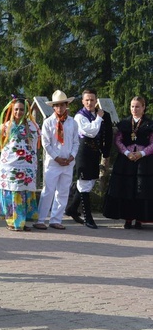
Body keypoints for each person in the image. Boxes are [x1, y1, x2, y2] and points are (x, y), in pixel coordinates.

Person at [64, 89, 113, 229]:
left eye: (92, 100)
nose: (89, 102)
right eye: (87, 100)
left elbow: (107, 134)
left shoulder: (102, 114)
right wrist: (98, 118)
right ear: (82, 101)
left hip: (94, 153)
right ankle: (88, 218)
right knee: (84, 183)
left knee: (90, 182)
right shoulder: (80, 116)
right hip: (83, 153)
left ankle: (72, 209)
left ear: (96, 100)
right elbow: (91, 132)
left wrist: (106, 152)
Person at [0, 97, 40, 231]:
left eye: (22, 109)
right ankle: (13, 221)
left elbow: (35, 145)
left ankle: (22, 221)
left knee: (24, 191)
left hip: (27, 165)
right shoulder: (6, 127)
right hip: (10, 166)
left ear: (26, 111)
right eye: (16, 109)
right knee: (12, 190)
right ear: (12, 110)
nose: (18, 112)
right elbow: (2, 144)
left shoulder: (32, 127)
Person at [104, 96, 153, 228]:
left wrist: (141, 153)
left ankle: (139, 219)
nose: (134, 109)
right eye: (132, 106)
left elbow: (152, 143)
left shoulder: (149, 124)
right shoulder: (124, 123)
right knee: (126, 189)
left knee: (141, 190)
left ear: (143, 107)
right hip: (126, 162)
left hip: (144, 163)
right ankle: (127, 218)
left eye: (137, 106)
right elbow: (118, 140)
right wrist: (127, 153)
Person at [34, 90, 80, 230]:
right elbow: (46, 143)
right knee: (48, 190)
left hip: (68, 162)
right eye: (57, 106)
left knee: (63, 191)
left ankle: (56, 219)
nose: (60, 108)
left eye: (62, 105)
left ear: (66, 105)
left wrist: (71, 156)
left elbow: (76, 142)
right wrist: (57, 157)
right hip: (53, 162)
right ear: (53, 107)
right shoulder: (48, 122)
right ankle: (41, 219)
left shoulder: (72, 122)